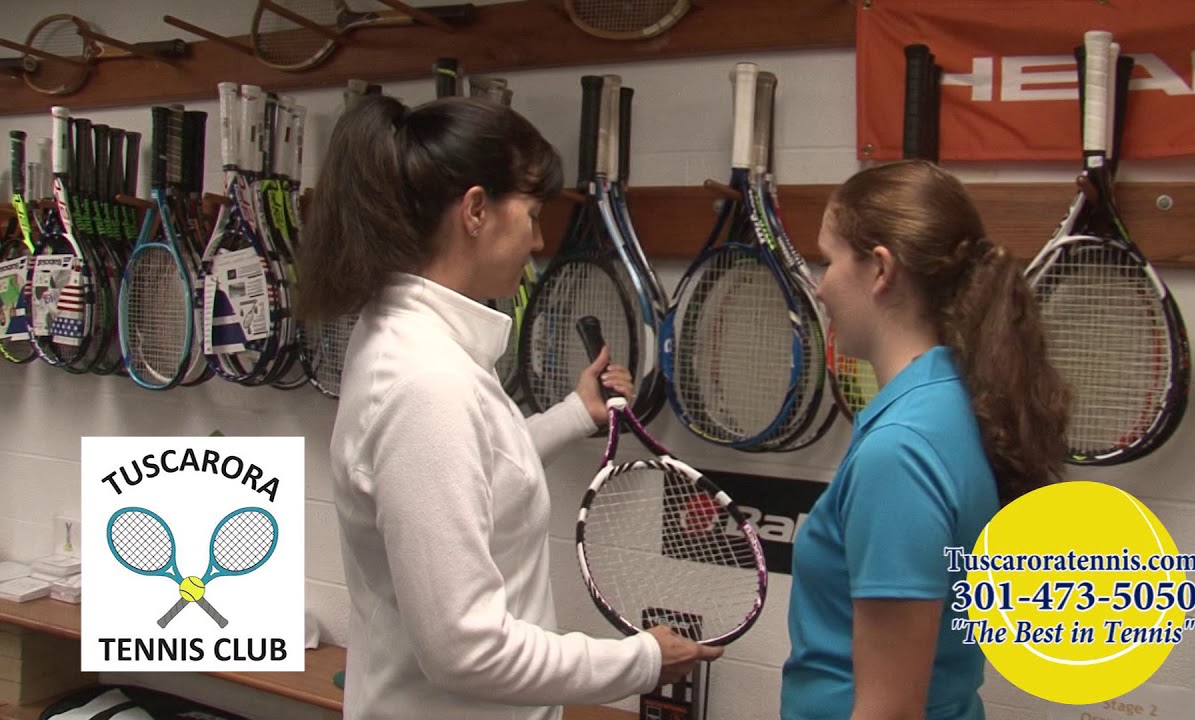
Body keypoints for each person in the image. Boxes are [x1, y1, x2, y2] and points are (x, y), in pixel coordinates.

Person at [297, 94, 721, 720]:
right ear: (475, 210)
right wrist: (640, 661)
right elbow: (464, 649)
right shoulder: (427, 382)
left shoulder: (411, 341)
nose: (540, 238)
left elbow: (474, 468)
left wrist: (574, 415)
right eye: (532, 213)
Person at [781, 160, 1071, 720]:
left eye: (828, 260)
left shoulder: (903, 449)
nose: (819, 287)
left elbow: (888, 712)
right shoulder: (949, 402)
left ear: (880, 269)